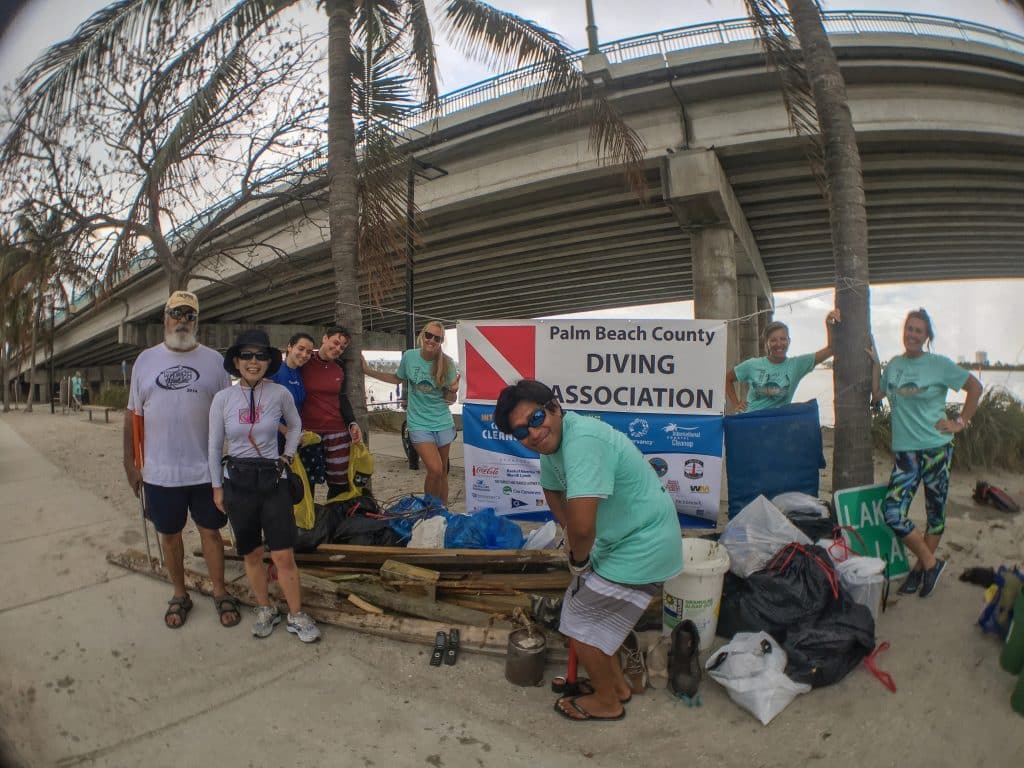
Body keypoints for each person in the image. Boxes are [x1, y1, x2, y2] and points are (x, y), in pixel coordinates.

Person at [493, 380, 683, 722]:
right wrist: (572, 538)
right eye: (522, 431)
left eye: (536, 418)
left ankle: (608, 702)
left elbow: (584, 528)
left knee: (578, 623)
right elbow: (553, 491)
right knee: (591, 618)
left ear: (554, 407)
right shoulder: (554, 446)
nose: (533, 433)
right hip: (619, 541)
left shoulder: (583, 441)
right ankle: (616, 687)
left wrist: (579, 559)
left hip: (645, 543)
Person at [123, 290, 236, 629]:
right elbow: (132, 416)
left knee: (211, 533)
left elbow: (230, 413)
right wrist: (129, 464)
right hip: (159, 473)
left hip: (206, 470)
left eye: (190, 315)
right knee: (169, 536)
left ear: (196, 321)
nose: (183, 321)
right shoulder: (145, 360)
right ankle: (179, 593)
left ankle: (219, 591)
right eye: (177, 313)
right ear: (165, 317)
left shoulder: (216, 362)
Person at [208, 329, 320, 643]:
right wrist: (217, 487)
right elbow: (214, 445)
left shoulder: (279, 393)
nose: (253, 361)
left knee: (283, 555)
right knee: (252, 553)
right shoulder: (223, 398)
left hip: (274, 480)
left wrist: (288, 455)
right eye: (247, 355)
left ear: (269, 360)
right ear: (236, 361)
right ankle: (264, 607)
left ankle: (296, 614)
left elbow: (295, 425)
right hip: (238, 482)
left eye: (260, 355)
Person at [869, 308, 982, 599]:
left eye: (919, 330)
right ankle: (932, 563)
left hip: (936, 449)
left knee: (935, 515)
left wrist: (959, 423)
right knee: (892, 512)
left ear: (927, 336)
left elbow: (975, 387)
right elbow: (879, 394)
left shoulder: (939, 365)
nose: (913, 335)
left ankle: (920, 570)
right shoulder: (894, 365)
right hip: (906, 453)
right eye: (909, 328)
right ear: (903, 331)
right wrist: (875, 365)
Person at [363, 320, 460, 505]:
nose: (431, 340)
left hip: (443, 422)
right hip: (418, 423)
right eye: (428, 335)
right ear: (422, 335)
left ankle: (443, 513)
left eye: (437, 338)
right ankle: (429, 509)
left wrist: (453, 390)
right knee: (435, 469)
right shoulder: (409, 357)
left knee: (443, 472)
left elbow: (450, 401)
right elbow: (397, 378)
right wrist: (368, 371)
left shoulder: (447, 363)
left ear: (441, 341)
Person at [725, 309, 840, 412]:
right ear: (767, 344)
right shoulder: (752, 364)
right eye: (773, 340)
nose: (779, 344)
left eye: (783, 339)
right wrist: (736, 404)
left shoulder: (797, 365)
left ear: (789, 341)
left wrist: (828, 323)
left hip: (778, 423)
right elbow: (727, 379)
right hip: (751, 421)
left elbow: (831, 350)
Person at [300, 326, 363, 498]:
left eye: (342, 347)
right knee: (306, 484)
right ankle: (308, 524)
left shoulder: (340, 367)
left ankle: (334, 520)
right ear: (324, 338)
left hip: (338, 433)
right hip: (309, 433)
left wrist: (352, 423)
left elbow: (342, 398)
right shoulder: (304, 361)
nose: (337, 349)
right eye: (335, 343)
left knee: (339, 484)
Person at [270, 332, 314, 452]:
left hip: (293, 438)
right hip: (274, 439)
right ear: (289, 347)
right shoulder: (274, 372)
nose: (304, 354)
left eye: (309, 352)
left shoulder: (301, 373)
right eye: (301, 349)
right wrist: (286, 432)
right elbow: (263, 411)